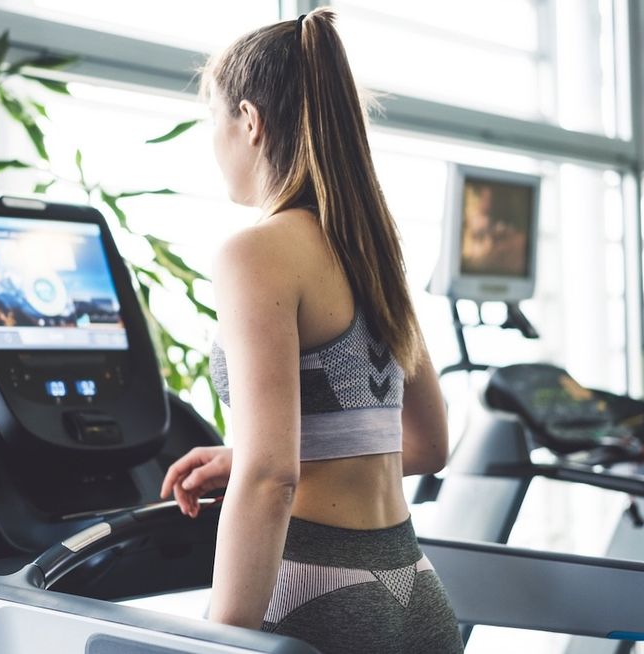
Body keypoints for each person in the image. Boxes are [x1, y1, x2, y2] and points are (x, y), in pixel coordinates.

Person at [159, 8, 464, 653]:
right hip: (415, 594)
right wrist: (244, 460)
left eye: (212, 120)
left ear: (248, 121)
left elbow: (272, 480)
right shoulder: (370, 248)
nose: (213, 142)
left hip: (317, 594)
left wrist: (218, 644)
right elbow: (428, 446)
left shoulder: (256, 253)